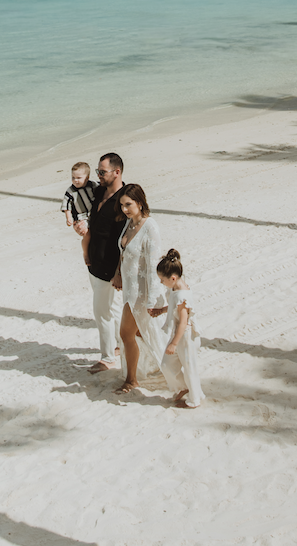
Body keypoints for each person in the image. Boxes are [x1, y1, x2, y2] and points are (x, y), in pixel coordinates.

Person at [112, 183, 167, 395]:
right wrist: (118, 273)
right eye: (122, 205)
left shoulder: (150, 226)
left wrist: (152, 300)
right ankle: (153, 368)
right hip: (129, 288)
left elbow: (154, 265)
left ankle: (131, 380)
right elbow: (123, 252)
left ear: (140, 203)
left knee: (126, 334)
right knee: (140, 334)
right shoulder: (129, 223)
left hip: (141, 292)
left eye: (128, 204)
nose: (124, 209)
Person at [81, 153, 126, 374]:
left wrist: (119, 272)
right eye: (97, 171)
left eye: (102, 172)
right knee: (112, 308)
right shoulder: (98, 191)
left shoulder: (124, 201)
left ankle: (107, 358)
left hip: (108, 267)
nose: (98, 175)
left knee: (102, 313)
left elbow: (126, 241)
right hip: (93, 262)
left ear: (117, 172)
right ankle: (119, 345)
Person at [151, 249, 205, 409]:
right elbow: (174, 306)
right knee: (166, 365)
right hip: (178, 334)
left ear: (173, 278)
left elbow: (183, 322)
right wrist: (162, 310)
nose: (161, 283)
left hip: (186, 336)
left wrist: (174, 343)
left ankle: (194, 400)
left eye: (162, 280)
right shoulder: (176, 288)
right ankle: (183, 387)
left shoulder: (183, 296)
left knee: (189, 368)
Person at [61, 161, 97, 265]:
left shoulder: (93, 185)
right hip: (80, 217)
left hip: (92, 214)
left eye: (79, 178)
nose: (75, 180)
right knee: (87, 234)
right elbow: (66, 205)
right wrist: (68, 217)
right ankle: (86, 253)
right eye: (73, 177)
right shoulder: (70, 191)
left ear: (87, 177)